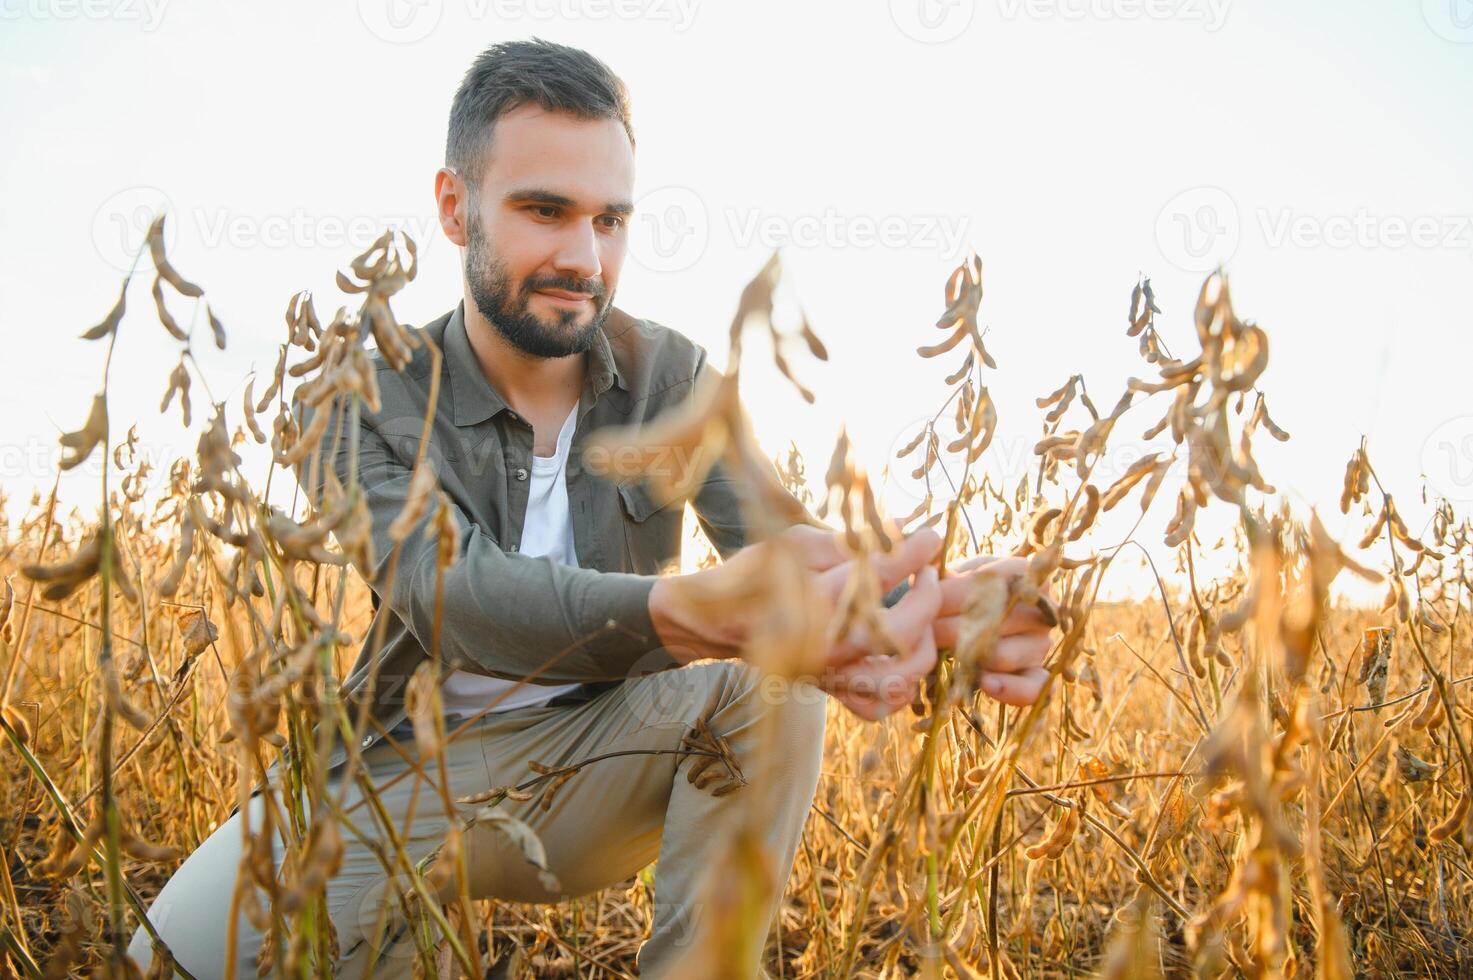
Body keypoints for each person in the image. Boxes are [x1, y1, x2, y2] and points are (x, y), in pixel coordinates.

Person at [128, 38, 1056, 978]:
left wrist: (938, 615)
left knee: (765, 691)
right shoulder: (354, 393)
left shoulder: (674, 375)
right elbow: (452, 595)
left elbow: (795, 559)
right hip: (391, 779)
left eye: (611, 219)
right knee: (155, 962)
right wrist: (677, 612)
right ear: (456, 207)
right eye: (543, 211)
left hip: (595, 767)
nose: (585, 256)